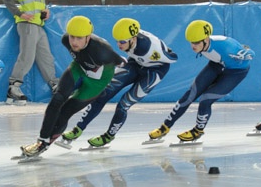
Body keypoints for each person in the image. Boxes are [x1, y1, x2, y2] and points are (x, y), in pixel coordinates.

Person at [61, 17, 177, 148]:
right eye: (117, 41)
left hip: (154, 71)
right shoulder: (129, 36)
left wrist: (168, 52)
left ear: (133, 39)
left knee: (124, 104)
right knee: (103, 93)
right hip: (135, 64)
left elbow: (173, 58)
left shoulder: (150, 48)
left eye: (122, 42)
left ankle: (109, 135)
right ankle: (78, 129)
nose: (119, 45)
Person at [18, 16, 122, 158]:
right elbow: (78, 53)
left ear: (88, 37)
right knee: (57, 99)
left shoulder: (103, 51)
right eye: (72, 37)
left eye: (79, 38)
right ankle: (41, 141)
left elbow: (122, 63)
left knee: (66, 111)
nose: (74, 42)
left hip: (97, 82)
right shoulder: (65, 40)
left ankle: (47, 144)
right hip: (78, 68)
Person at [148, 20, 253, 144]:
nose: (193, 46)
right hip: (217, 65)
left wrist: (246, 53)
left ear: (206, 39)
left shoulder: (225, 47)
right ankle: (165, 127)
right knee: (189, 95)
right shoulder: (203, 43)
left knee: (205, 99)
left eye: (197, 42)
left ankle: (198, 131)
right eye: (191, 42)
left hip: (236, 72)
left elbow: (251, 53)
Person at [2, 0, 58, 102]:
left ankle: (54, 84)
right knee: (27, 56)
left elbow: (39, 2)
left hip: (38, 25)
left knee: (46, 57)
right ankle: (13, 86)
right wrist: (20, 13)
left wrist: (46, 9)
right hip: (27, 25)